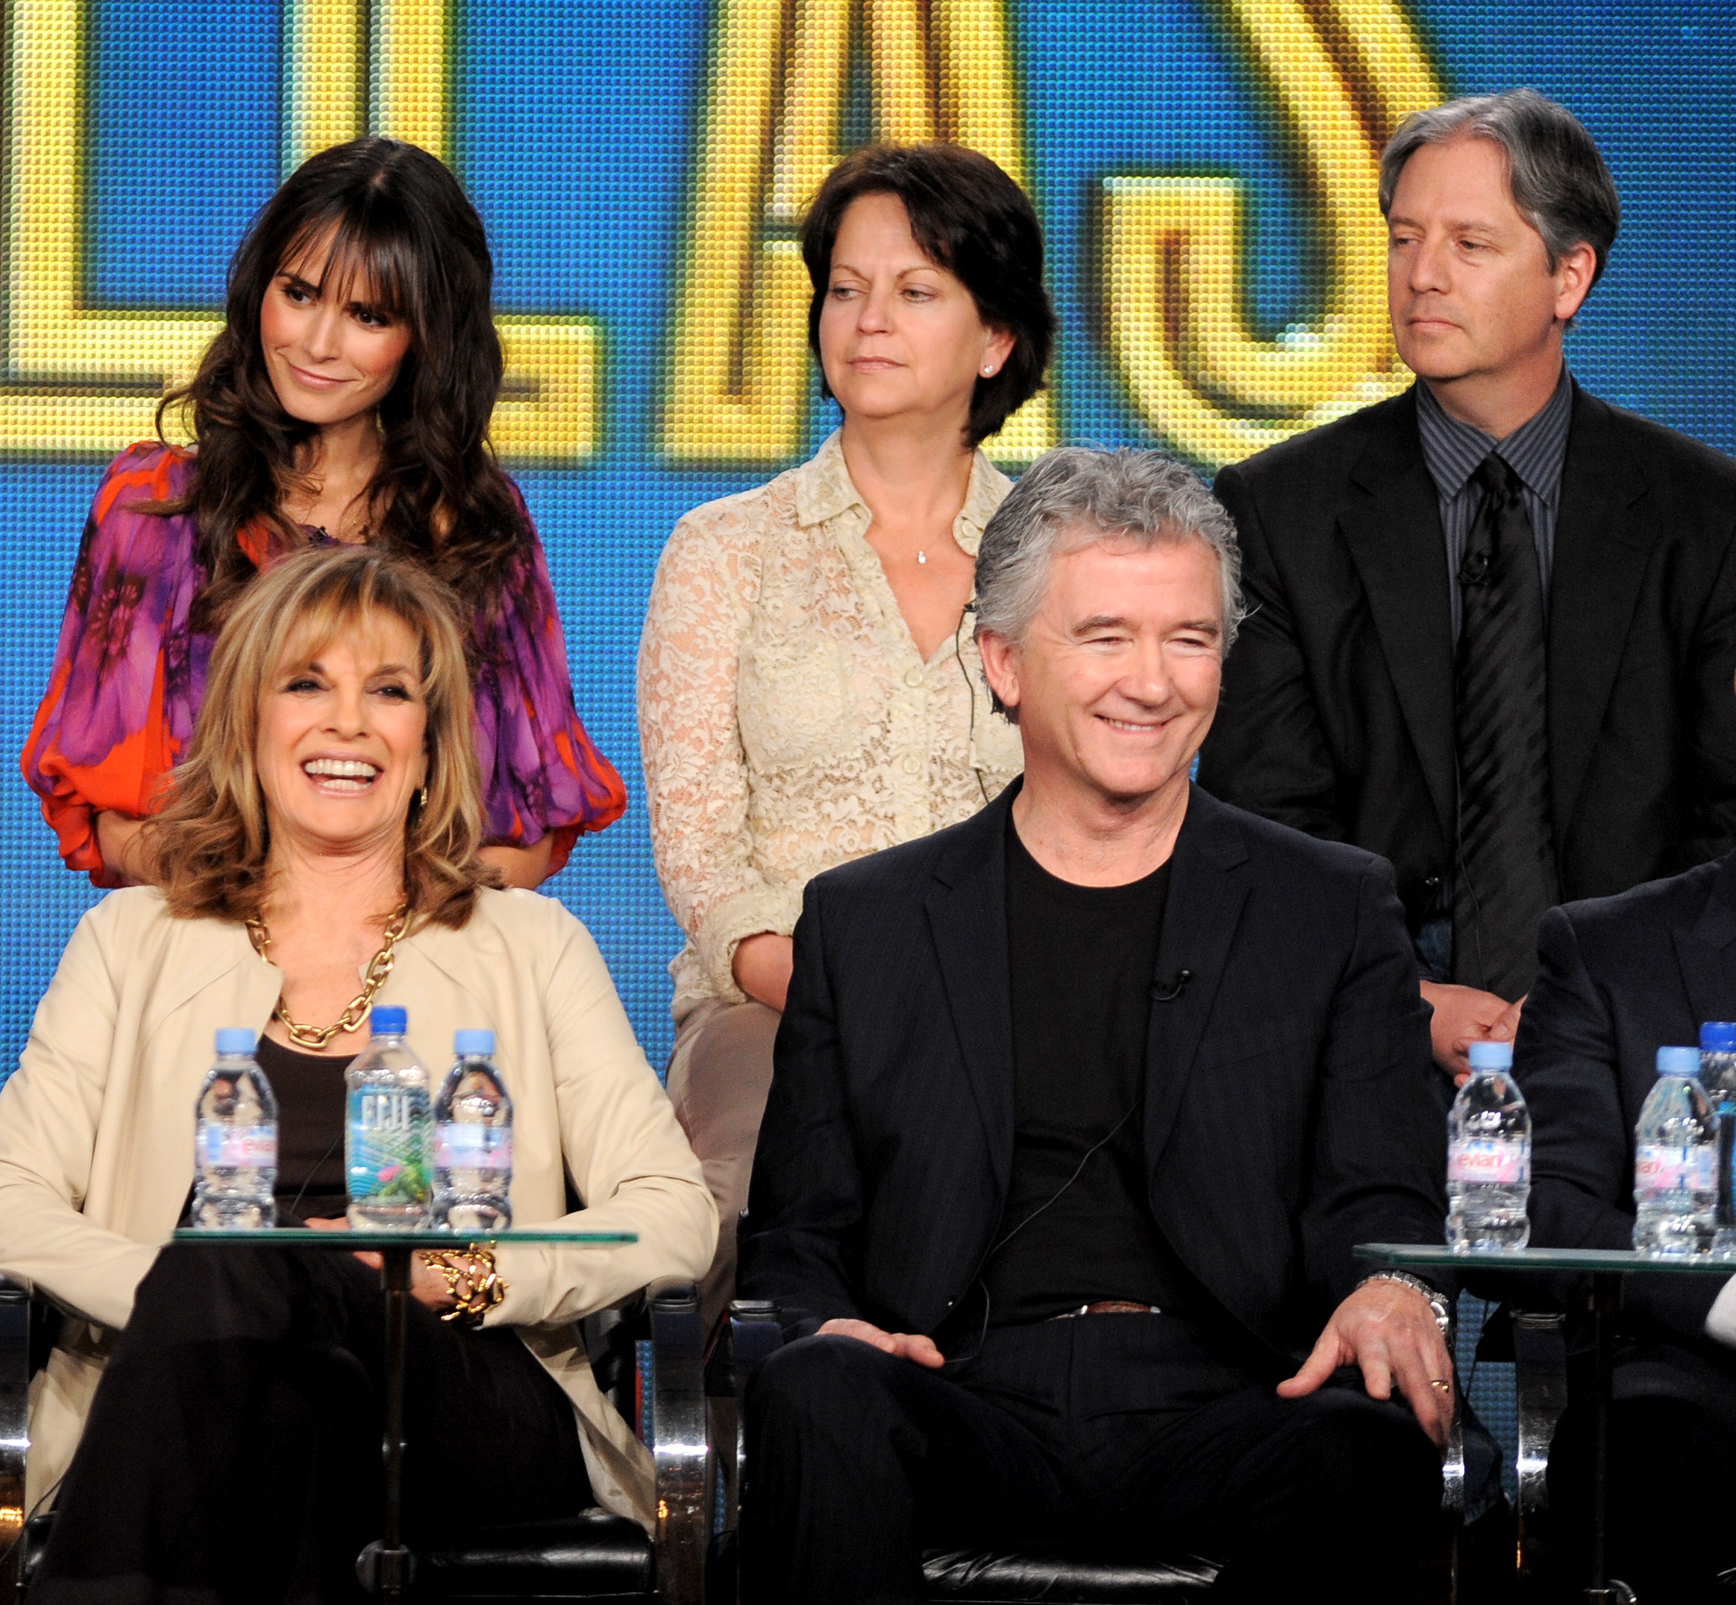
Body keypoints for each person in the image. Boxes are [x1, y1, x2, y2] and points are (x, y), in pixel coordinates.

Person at [735, 447, 1451, 1601]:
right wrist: (822, 1322)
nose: (1153, 682)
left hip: (1235, 1395)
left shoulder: (1331, 904)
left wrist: (1393, 1288)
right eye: (1106, 635)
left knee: (1367, 1448)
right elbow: (797, 1234)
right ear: (1004, 661)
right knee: (816, 1393)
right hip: (960, 1385)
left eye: (1190, 638)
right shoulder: (865, 919)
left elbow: (1382, 1195)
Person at [0, 545, 712, 1599]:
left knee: (248, 1287)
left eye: (389, 691)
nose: (348, 722)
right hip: (195, 1381)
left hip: (460, 1386)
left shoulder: (532, 942)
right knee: (273, 1382)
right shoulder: (128, 938)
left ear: (429, 737)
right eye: (307, 682)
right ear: (248, 722)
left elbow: (671, 1209)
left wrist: (473, 1273)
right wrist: (211, 1298)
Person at [1203, 89, 1736, 1084]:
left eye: (1470, 244)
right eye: (1405, 238)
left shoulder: (1704, 516)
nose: (1423, 276)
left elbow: (1725, 820)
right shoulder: (1279, 508)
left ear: (1569, 275)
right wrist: (1401, 994)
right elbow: (1264, 824)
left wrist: (1604, 994)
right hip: (1359, 1037)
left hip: (1646, 1050)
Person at [640, 140, 1051, 1310]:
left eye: (916, 289)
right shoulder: (726, 549)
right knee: (748, 1199)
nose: (868, 317)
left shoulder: (1061, 553)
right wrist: (844, 992)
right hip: (773, 1009)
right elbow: (703, 860)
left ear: (995, 337)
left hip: (1021, 1008)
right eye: (845, 286)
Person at [22, 135, 624, 899]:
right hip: (213, 944)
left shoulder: (474, 522)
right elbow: (118, 825)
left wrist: (365, 915)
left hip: (417, 957)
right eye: (299, 293)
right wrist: (288, 908)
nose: (317, 344)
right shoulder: (154, 506)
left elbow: (523, 845)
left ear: (426, 338)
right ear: (258, 290)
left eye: (368, 314)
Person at [1507, 859, 1736, 1599]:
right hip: (1686, 1361)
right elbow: (1543, 1208)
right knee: (1652, 1452)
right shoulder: (1609, 947)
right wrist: (1720, 1300)